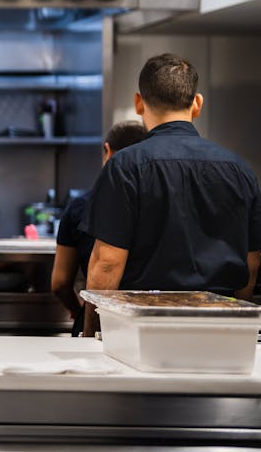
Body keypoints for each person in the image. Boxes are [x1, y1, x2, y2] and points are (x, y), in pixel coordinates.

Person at [82, 53, 261, 336]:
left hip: (144, 326)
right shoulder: (240, 169)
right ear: (197, 104)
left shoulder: (125, 166)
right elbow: (251, 261)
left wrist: (91, 330)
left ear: (139, 103)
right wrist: (238, 322)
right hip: (222, 325)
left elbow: (107, 262)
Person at [50, 120, 149, 336]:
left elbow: (59, 283)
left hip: (101, 321)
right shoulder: (157, 204)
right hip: (147, 324)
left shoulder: (81, 206)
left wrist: (79, 312)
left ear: (107, 151)